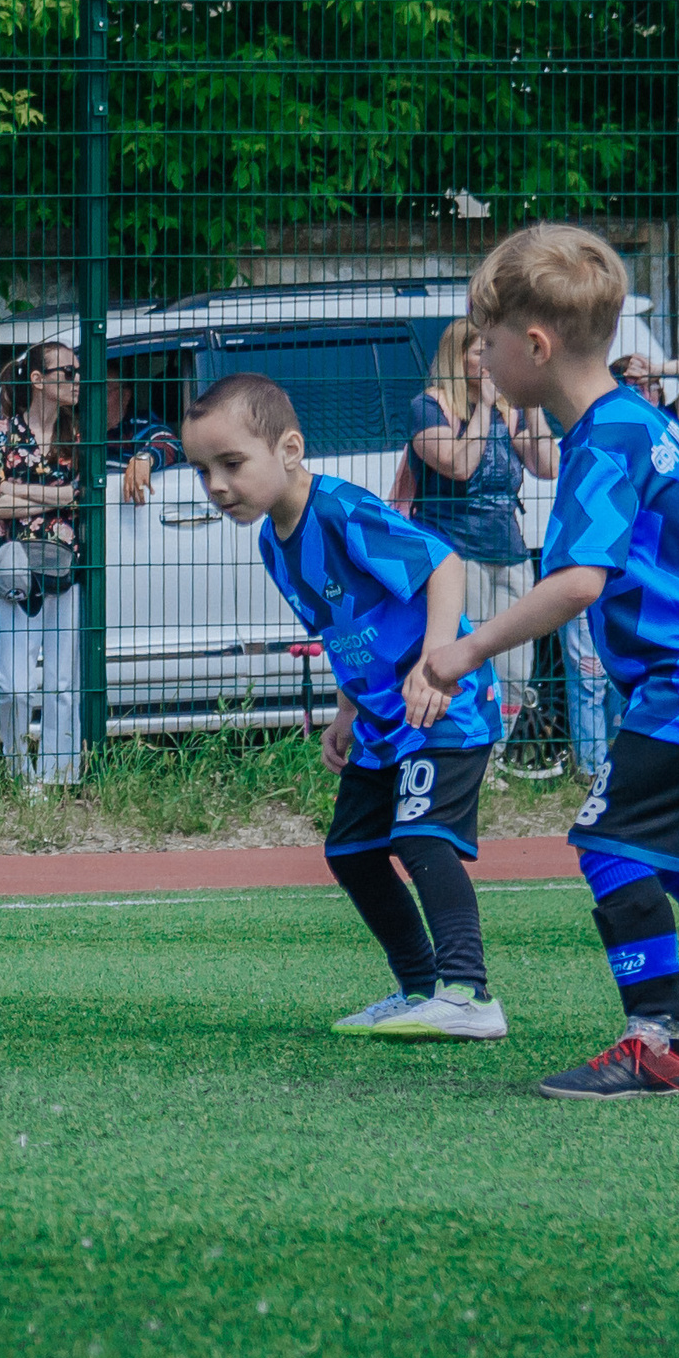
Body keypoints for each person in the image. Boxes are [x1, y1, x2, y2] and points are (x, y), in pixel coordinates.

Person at [413, 223, 679, 1101]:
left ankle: (660, 1042)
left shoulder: (601, 441)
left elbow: (577, 582)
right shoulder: (641, 421)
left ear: (536, 345)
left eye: (487, 341)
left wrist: (460, 650)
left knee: (609, 842)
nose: (480, 359)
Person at [182, 372, 508, 1041]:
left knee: (420, 836)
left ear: (289, 449)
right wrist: (346, 710)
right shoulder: (273, 543)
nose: (215, 484)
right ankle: (420, 988)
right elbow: (342, 628)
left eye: (231, 463)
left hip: (444, 708)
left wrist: (437, 664)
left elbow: (443, 565)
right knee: (353, 850)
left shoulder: (341, 510)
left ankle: (468, 995)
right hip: (383, 720)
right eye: (202, 470)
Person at [407, 319, 558, 729]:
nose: (490, 361)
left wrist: (531, 404)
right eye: (481, 352)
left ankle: (498, 748)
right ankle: (472, 749)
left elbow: (548, 466)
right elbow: (459, 466)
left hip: (508, 551)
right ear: (457, 359)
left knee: (515, 667)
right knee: (466, 661)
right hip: (456, 554)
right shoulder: (429, 408)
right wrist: (484, 409)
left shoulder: (510, 412)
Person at [0, 341, 85, 789]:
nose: (77, 381)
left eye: (78, 372)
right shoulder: (1, 433)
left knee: (62, 683)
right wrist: (57, 497)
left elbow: (82, 495)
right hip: (14, 569)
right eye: (67, 373)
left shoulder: (77, 434)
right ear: (38, 380)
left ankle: (60, 776)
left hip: (64, 571)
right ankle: (20, 776)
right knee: (14, 685)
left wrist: (16, 490)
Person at [105, 377, 184, 506]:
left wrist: (143, 459)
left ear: (126, 395)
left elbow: (167, 441)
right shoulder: (76, 427)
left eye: (105, 390)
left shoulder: (138, 424)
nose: (96, 397)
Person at [610, 353, 679, 424]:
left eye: (652, 387)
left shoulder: (669, 420)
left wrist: (657, 371)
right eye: (637, 390)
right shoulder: (613, 426)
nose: (647, 397)